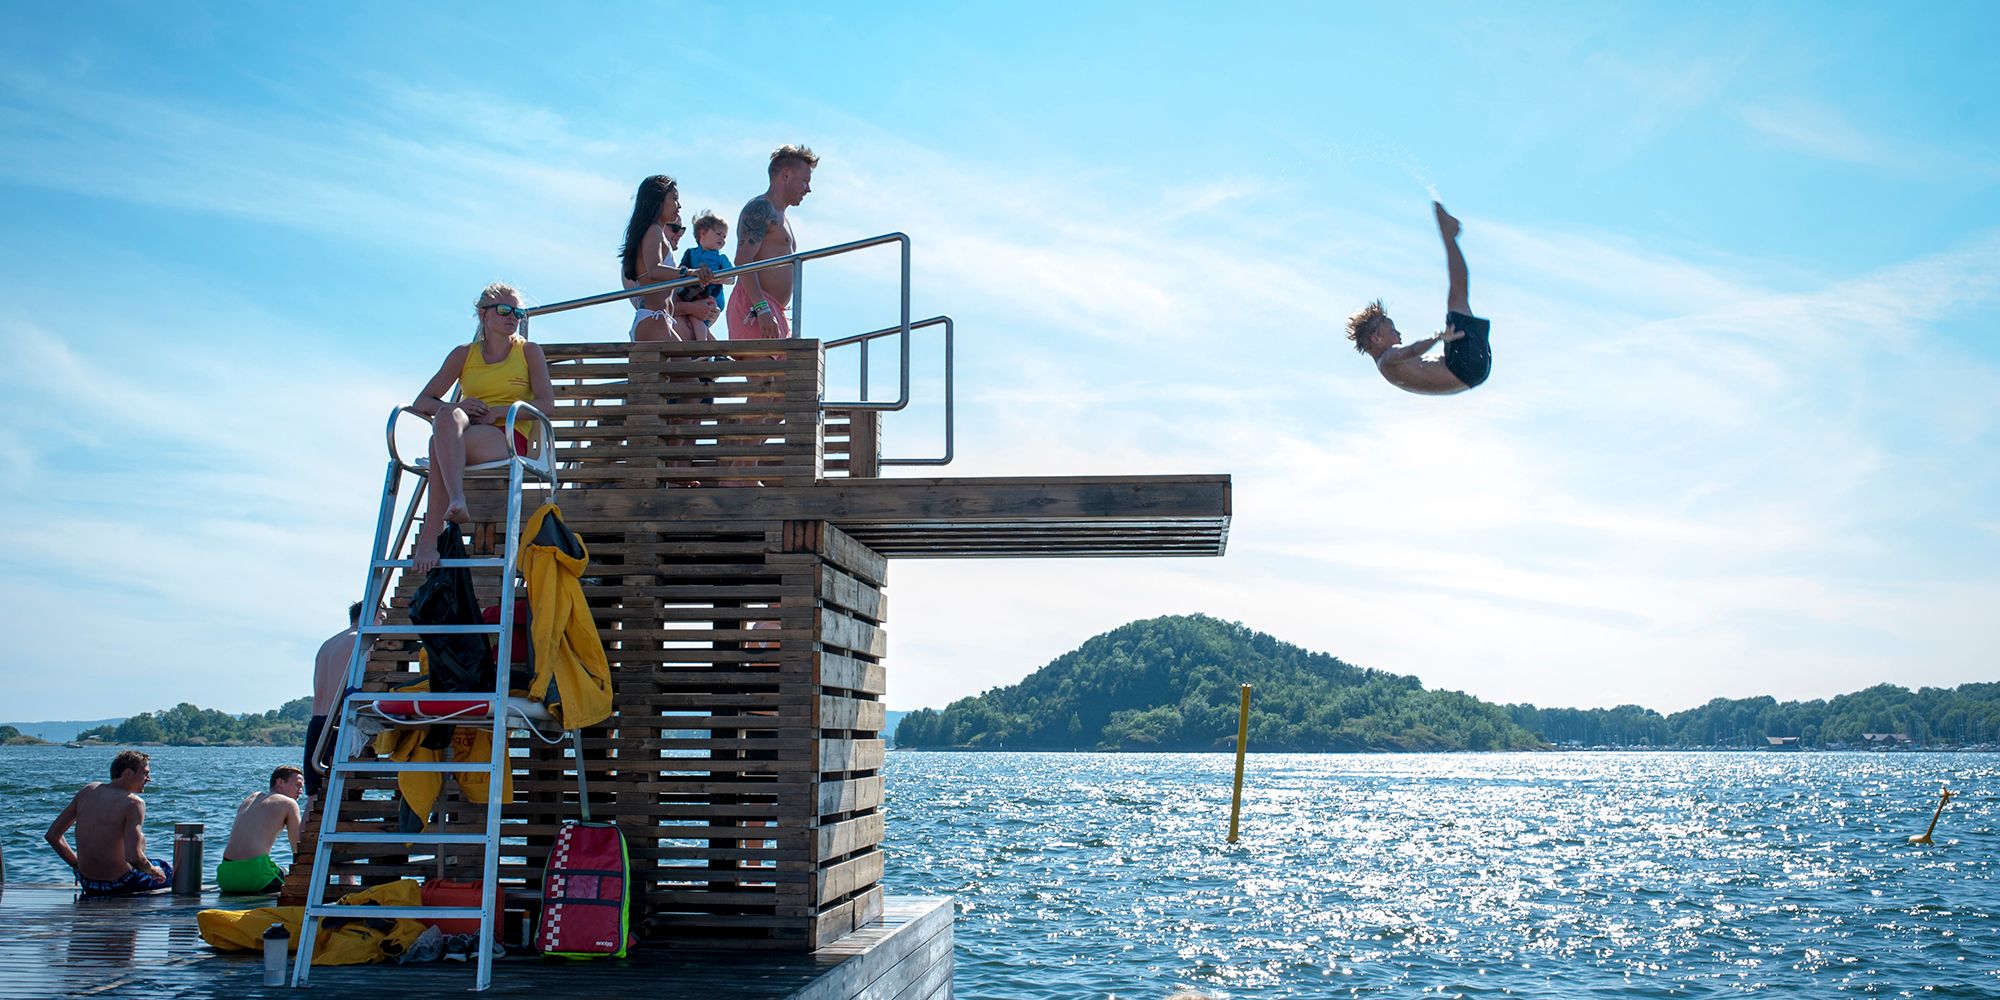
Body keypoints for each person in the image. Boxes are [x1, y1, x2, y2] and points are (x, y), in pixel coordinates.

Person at [409, 282, 558, 575]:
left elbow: (547, 404)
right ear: (483, 314)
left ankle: (432, 533)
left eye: (518, 312)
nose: (512, 316)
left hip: (509, 435)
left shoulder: (529, 352)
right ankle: (455, 500)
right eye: (504, 310)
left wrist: (498, 412)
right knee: (445, 414)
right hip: (466, 431)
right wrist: (462, 407)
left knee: (436, 446)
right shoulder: (464, 354)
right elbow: (422, 402)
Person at [1346, 201, 1493, 395]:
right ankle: (1448, 235)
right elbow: (1413, 350)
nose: (1399, 334)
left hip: (1472, 373)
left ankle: (1449, 235)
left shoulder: (1389, 369)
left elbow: (1425, 365)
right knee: (1457, 296)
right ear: (1376, 338)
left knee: (1459, 301)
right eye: (1393, 330)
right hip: (1465, 367)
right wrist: (1439, 337)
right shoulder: (1388, 358)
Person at [45, 750, 173, 897]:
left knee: (146, 851)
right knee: (168, 871)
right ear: (128, 773)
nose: (149, 779)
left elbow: (52, 836)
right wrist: (153, 871)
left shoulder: (88, 790)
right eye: (145, 773)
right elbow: (134, 857)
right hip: (120, 884)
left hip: (88, 882)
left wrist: (76, 865)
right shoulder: (134, 803)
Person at [727, 144, 817, 340]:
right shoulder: (760, 207)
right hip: (755, 307)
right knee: (766, 362)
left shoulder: (782, 216)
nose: (808, 189)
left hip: (771, 310)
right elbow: (743, 260)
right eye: (805, 181)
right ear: (786, 175)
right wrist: (761, 308)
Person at [619, 174, 720, 343]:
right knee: (684, 360)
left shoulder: (655, 232)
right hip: (654, 319)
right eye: (674, 198)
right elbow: (654, 270)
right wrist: (690, 273)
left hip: (659, 319)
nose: (679, 205)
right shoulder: (653, 230)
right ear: (658, 200)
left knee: (687, 359)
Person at [304, 601, 364, 816]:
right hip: (337, 722)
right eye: (382, 617)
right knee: (339, 795)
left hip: (317, 722)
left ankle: (303, 839)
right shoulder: (361, 640)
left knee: (314, 798)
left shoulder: (328, 644)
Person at [216, 766, 305, 894]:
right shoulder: (289, 803)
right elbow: (298, 848)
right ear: (280, 782)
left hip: (225, 878)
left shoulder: (252, 798)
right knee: (289, 877)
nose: (301, 791)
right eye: (297, 785)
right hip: (255, 877)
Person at [676, 210, 735, 341]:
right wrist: (688, 272)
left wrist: (719, 278)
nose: (722, 239)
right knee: (693, 319)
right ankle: (709, 344)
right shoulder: (691, 253)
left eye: (724, 236)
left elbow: (732, 278)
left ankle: (701, 344)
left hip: (712, 295)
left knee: (697, 318)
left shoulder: (721, 257)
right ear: (702, 233)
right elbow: (682, 268)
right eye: (718, 234)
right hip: (693, 294)